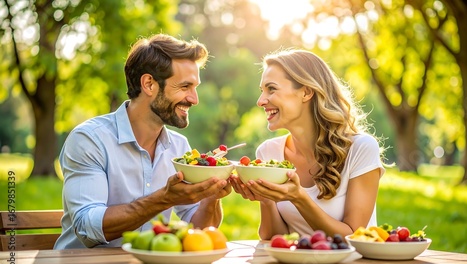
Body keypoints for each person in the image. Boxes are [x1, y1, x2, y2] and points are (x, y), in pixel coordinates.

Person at [54, 34, 231, 249]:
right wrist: (165, 198)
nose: (195, 99)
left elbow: (200, 230)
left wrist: (211, 196)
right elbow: (88, 228)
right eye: (185, 87)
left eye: (195, 88)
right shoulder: (89, 140)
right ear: (149, 84)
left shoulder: (179, 147)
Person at [230, 49, 385, 240]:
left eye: (271, 89)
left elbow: (354, 236)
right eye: (261, 91)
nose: (260, 101)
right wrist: (267, 200)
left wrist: (299, 197)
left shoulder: (361, 148)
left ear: (306, 92)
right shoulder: (269, 152)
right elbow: (272, 237)